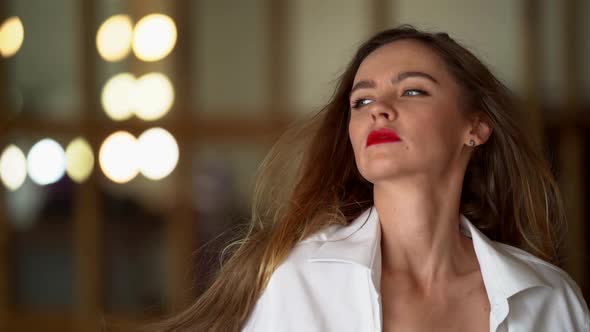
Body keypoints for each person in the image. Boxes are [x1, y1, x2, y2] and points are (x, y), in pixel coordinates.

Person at [151, 25, 590, 331]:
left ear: (474, 128)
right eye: (361, 101)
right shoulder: (300, 281)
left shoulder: (549, 299)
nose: (379, 108)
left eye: (412, 90)